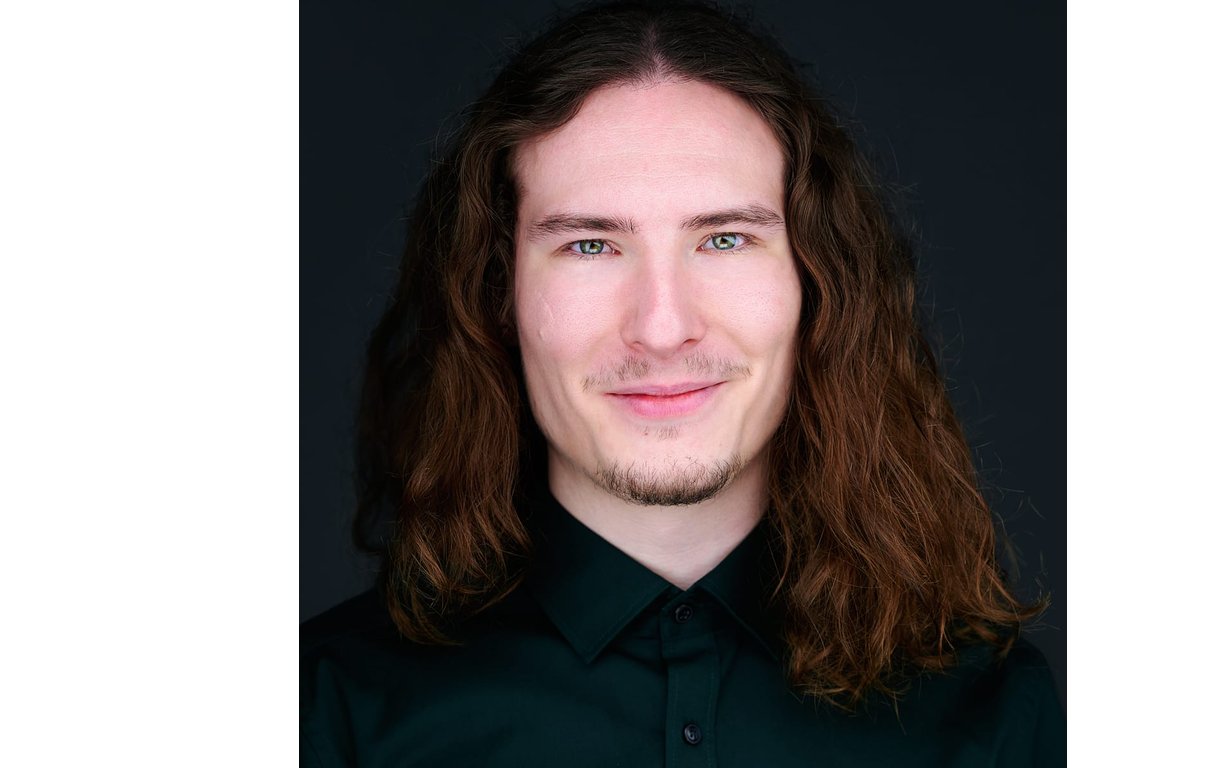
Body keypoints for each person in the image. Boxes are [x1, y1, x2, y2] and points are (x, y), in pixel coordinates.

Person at [301, 1, 1063, 765]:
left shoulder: (993, 713)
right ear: (498, 291)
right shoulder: (329, 707)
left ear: (817, 282)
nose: (662, 327)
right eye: (591, 245)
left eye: (724, 239)